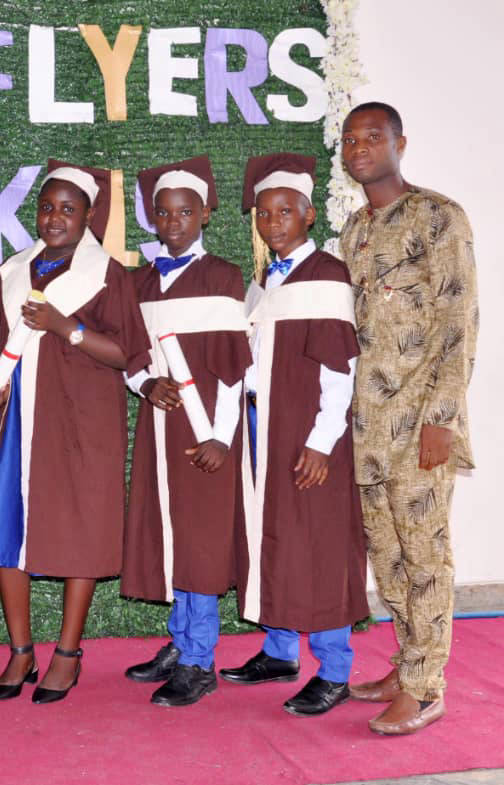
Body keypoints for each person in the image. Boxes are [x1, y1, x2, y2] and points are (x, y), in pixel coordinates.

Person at [0, 161, 151, 704]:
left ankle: (68, 653)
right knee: (7, 531)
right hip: (22, 420)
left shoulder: (108, 275)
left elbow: (127, 353)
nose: (54, 218)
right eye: (47, 207)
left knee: (82, 526)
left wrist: (66, 326)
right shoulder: (13, 272)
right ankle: (21, 650)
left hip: (84, 420)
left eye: (68, 210)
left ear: (89, 216)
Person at [338, 102, 478, 735]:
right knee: (388, 556)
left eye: (373, 137)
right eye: (350, 140)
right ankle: (407, 662)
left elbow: (458, 320)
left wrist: (442, 419)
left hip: (421, 422)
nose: (360, 148)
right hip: (368, 425)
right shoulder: (353, 230)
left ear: (401, 143)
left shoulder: (438, 216)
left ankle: (426, 689)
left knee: (425, 556)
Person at [220, 153, 368, 718]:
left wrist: (322, 441)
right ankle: (280, 651)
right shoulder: (263, 281)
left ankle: (334, 670)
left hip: (307, 432)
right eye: (263, 212)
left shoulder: (326, 274)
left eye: (286, 211)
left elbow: (340, 371)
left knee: (319, 543)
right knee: (272, 536)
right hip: (262, 427)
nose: (273, 221)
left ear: (309, 215)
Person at [122, 156, 252, 707]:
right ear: (151, 217)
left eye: (185, 211)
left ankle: (200, 660)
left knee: (200, 540)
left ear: (204, 215)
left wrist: (223, 436)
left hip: (207, 432)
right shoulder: (139, 281)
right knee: (172, 534)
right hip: (159, 427)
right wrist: (145, 383)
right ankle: (179, 642)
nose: (173, 221)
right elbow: (128, 353)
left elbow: (235, 366)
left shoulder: (223, 275)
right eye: (164, 212)